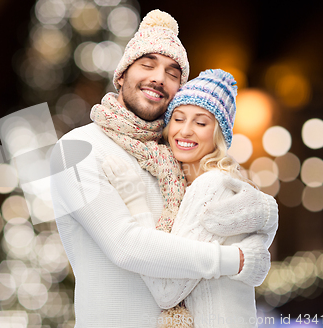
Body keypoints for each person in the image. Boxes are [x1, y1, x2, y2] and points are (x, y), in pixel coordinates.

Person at [50, 9, 276, 327]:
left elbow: (217, 218)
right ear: (122, 74)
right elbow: (125, 246)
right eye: (147, 64)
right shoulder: (75, 150)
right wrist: (237, 260)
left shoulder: (175, 157)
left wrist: (261, 223)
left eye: (172, 72)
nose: (159, 77)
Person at [97, 69, 278, 327]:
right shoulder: (208, 182)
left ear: (218, 135)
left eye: (201, 123)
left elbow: (167, 291)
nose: (185, 131)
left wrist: (135, 200)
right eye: (179, 119)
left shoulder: (211, 185)